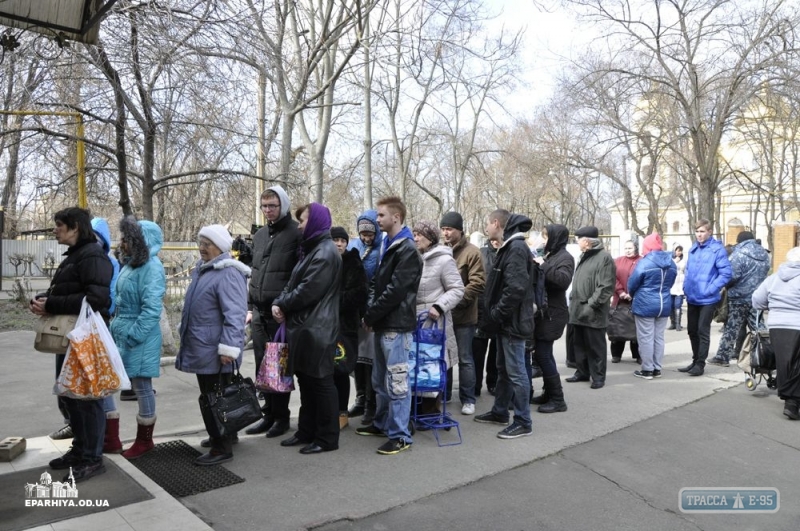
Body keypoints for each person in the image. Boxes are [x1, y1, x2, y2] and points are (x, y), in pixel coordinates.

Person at [32, 207, 113, 482]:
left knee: (86, 400)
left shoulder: (92, 256)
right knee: (70, 396)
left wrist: (52, 303)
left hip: (85, 338)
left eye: (59, 225)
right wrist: (45, 299)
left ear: (75, 227)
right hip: (72, 338)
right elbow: (72, 291)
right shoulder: (77, 256)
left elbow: (98, 300)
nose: (54, 229)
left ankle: (92, 458)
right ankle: (80, 450)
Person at [176, 225, 249, 465]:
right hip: (204, 344)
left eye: (208, 243)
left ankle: (221, 448)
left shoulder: (227, 272)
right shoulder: (205, 269)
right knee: (215, 395)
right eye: (201, 242)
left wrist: (229, 348)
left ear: (221, 246)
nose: (202, 248)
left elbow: (235, 314)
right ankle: (225, 433)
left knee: (214, 398)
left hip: (215, 349)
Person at [273, 204, 342, 454]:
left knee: (321, 384)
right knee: (307, 383)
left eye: (302, 221)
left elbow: (307, 291)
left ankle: (326, 438)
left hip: (318, 330)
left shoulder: (324, 253)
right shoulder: (312, 250)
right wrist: (280, 301)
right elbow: (293, 283)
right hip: (306, 329)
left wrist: (282, 302)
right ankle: (306, 431)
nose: (299, 226)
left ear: (314, 222)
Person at [355, 196, 422, 455]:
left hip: (397, 326)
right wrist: (371, 312)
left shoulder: (407, 249)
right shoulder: (388, 244)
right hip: (383, 323)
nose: (377, 219)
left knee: (397, 383)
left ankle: (400, 435)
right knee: (380, 381)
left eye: (381, 215)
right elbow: (376, 284)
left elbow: (395, 291)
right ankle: (382, 424)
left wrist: (371, 315)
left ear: (396, 217)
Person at [107, 217, 166, 459]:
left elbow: (151, 309)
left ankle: (145, 441)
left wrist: (133, 337)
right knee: (111, 384)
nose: (121, 243)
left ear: (140, 242)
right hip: (123, 332)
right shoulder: (131, 265)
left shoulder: (152, 268)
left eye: (126, 239)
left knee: (142, 387)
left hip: (138, 338)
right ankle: (111, 438)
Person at [474, 209, 535, 439]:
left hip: (512, 324)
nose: (487, 228)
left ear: (497, 223)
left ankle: (523, 421)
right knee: (504, 371)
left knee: (517, 373)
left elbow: (516, 289)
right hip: (506, 324)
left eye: (488, 224)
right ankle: (500, 412)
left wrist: (497, 313)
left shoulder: (516, 248)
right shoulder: (509, 246)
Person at [246, 185, 301, 438]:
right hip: (258, 312)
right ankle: (268, 415)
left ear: (283, 206)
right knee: (262, 367)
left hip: (280, 314)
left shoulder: (295, 234)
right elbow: (255, 274)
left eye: (273, 206)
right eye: (264, 206)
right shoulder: (259, 236)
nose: (268, 211)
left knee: (278, 367)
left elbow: (297, 276)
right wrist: (249, 307)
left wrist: (285, 304)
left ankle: (281, 418)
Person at [412, 220, 465, 415]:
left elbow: (458, 289)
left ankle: (432, 412)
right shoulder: (416, 257)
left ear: (431, 238)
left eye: (420, 235)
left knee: (433, 366)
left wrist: (439, 306)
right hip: (416, 321)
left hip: (435, 322)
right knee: (417, 365)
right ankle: (418, 410)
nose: (415, 238)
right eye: (414, 234)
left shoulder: (444, 260)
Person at [440, 211, 485, 415]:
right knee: (445, 357)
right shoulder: (440, 251)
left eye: (449, 229)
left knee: (465, 358)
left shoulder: (472, 252)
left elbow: (476, 284)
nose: (445, 233)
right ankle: (445, 394)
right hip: (443, 315)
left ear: (460, 230)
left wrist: (454, 301)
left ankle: (468, 399)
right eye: (443, 229)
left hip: (464, 317)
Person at [752, 247, 800, 420]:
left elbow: (757, 300)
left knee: (784, 362)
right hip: (797, 324)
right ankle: (791, 401)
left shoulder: (774, 278)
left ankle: (790, 399)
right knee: (796, 363)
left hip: (776, 324)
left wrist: (772, 306)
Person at [679, 219, 732, 376]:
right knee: (692, 330)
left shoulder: (717, 250)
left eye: (702, 231)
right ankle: (695, 360)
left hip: (708, 298)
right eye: (697, 231)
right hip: (693, 296)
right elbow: (688, 270)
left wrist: (712, 288)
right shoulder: (693, 249)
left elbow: (726, 273)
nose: (699, 234)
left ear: (709, 232)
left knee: (703, 330)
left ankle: (700, 364)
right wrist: (686, 287)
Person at [530, 224, 574, 413]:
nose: (544, 240)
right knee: (544, 354)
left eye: (547, 237)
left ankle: (558, 399)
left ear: (556, 238)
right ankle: (549, 393)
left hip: (554, 314)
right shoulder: (551, 255)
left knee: (542, 355)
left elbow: (563, 281)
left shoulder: (566, 258)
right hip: (545, 313)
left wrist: (543, 265)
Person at [709, 231, 769, 367]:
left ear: (739, 240)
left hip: (739, 298)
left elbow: (732, 276)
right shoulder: (765, 254)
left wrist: (726, 286)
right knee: (759, 328)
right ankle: (766, 355)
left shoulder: (739, 254)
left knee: (732, 328)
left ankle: (722, 357)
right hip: (757, 298)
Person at [566, 226, 615, 389]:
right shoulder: (584, 256)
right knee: (579, 344)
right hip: (578, 309)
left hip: (593, 311)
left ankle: (598, 376)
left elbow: (606, 286)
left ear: (586, 241)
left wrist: (591, 305)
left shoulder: (604, 258)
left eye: (578, 239)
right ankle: (582, 371)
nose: (577, 242)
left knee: (595, 346)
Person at [346, 210, 383, 424]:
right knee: (356, 360)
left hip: (371, 312)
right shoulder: (354, 246)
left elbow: (375, 283)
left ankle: (371, 402)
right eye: (363, 234)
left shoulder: (382, 249)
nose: (366, 238)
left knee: (370, 360)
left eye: (370, 234)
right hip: (354, 311)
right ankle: (360, 398)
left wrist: (369, 312)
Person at [330, 226, 368, 430]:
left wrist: (331, 301)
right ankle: (329, 411)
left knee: (341, 370)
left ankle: (341, 413)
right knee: (326, 371)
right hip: (324, 326)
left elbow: (360, 293)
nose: (339, 244)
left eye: (342, 240)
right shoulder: (325, 261)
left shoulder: (353, 262)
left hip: (345, 325)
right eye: (335, 240)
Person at [627, 233, 677, 380]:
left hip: (645, 304)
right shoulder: (671, 263)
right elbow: (671, 283)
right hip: (664, 303)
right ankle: (657, 368)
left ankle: (647, 369)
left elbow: (632, 283)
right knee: (659, 337)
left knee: (646, 338)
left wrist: (633, 294)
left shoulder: (644, 262)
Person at [473, 237, 501, 396]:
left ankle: (493, 382)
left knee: (496, 353)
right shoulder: (481, 253)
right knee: (477, 352)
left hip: (499, 310)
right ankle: (475, 385)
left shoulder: (507, 253)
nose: (496, 243)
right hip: (480, 309)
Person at [610, 240, 641, 363]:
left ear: (636, 248)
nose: (628, 250)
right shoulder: (618, 261)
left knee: (636, 329)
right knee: (618, 327)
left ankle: (638, 355)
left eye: (630, 248)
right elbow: (613, 277)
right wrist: (621, 291)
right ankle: (616, 354)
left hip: (636, 300)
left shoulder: (641, 261)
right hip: (619, 299)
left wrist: (632, 293)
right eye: (626, 248)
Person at [669, 245, 686, 331]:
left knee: (677, 305)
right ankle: (672, 323)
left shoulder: (684, 260)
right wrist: (675, 262)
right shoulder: (671, 260)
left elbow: (686, 271)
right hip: (672, 286)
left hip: (680, 286)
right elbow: (668, 269)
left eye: (680, 250)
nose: (679, 252)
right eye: (677, 250)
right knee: (671, 305)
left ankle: (678, 324)